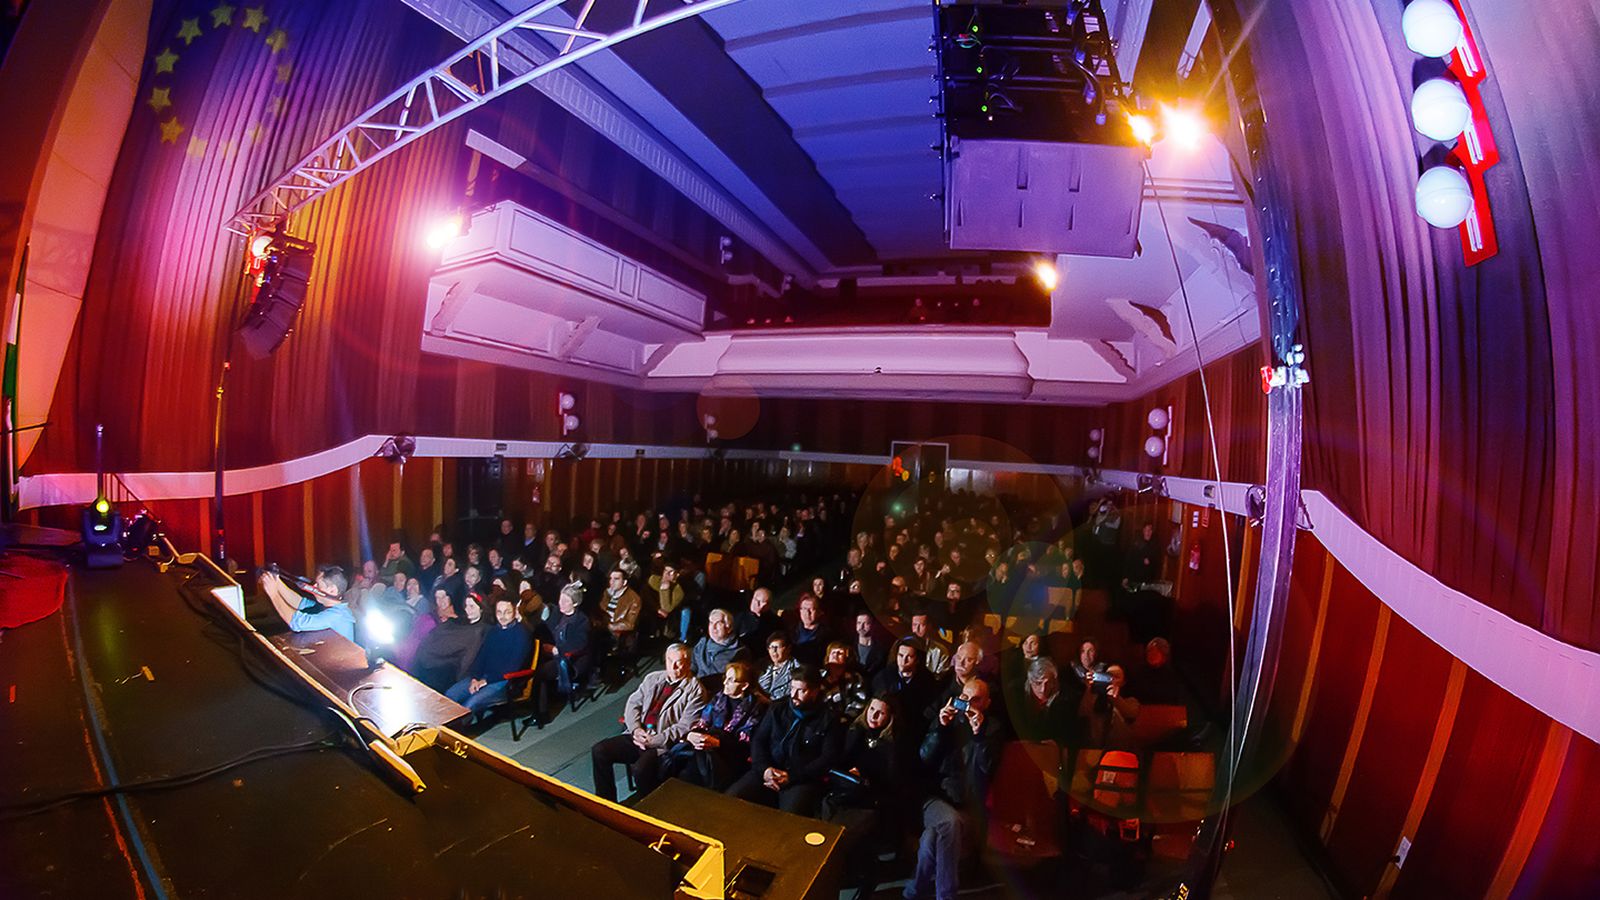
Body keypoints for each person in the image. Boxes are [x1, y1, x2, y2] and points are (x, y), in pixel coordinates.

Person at [908, 678, 1003, 900]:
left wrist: (979, 738)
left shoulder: (993, 728)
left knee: (931, 839)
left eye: (975, 700)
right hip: (935, 798)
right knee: (949, 823)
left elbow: (987, 770)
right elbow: (924, 758)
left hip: (968, 803)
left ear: (987, 703)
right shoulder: (947, 720)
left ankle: (914, 890)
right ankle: (946, 896)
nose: (968, 704)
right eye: (964, 698)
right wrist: (940, 728)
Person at [588, 643, 708, 803]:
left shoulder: (695, 690)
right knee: (600, 750)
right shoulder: (653, 678)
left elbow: (684, 726)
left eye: (678, 662)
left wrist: (653, 741)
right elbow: (633, 704)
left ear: (687, 663)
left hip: (661, 743)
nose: (673, 666)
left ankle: (649, 806)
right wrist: (636, 729)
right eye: (669, 660)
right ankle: (605, 803)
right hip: (639, 734)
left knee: (640, 770)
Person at [826, 695, 914, 900]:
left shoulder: (895, 742)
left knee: (845, 837)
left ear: (890, 717)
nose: (874, 716)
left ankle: (864, 877)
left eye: (881, 712)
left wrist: (865, 776)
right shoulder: (856, 731)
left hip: (875, 799)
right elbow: (841, 760)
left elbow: (893, 780)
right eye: (872, 709)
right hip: (848, 793)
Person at [727, 664, 843, 816]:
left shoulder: (828, 719)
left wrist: (792, 777)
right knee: (731, 799)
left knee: (789, 817)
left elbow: (827, 758)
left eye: (801, 691)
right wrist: (765, 769)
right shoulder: (778, 708)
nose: (794, 695)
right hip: (769, 769)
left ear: (815, 691)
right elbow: (759, 740)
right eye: (792, 688)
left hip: (800, 778)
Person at [660, 660, 767, 791]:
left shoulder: (757, 709)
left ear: (744, 685)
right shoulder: (719, 697)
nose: (725, 683)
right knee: (684, 767)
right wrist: (692, 735)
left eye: (730, 680)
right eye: (725, 678)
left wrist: (717, 742)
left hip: (731, 757)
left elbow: (746, 747)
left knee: (689, 774)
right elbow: (703, 722)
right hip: (707, 749)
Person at [444, 595, 534, 714]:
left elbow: (513, 666)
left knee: (470, 704)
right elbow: (481, 657)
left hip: (504, 681)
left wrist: (485, 681)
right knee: (450, 695)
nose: (502, 616)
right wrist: (475, 678)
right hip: (483, 677)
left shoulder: (521, 634)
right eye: (499, 612)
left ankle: (457, 731)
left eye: (507, 612)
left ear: (514, 612)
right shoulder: (493, 631)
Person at [412, 593, 490, 692]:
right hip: (432, 657)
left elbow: (469, 655)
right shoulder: (458, 621)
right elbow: (437, 634)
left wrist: (460, 678)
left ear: (481, 609)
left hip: (447, 667)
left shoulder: (481, 630)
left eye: (472, 606)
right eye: (466, 606)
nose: (468, 610)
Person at [259, 567, 355, 642]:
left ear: (332, 590)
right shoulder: (327, 606)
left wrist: (273, 594)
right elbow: (299, 602)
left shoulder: (337, 615)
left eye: (318, 584)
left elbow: (296, 622)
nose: (314, 587)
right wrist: (277, 581)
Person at [871, 638, 938, 746]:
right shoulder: (884, 677)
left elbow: (930, 709)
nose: (903, 661)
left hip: (914, 734)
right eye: (900, 655)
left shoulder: (927, 680)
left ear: (917, 659)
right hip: (887, 732)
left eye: (909, 657)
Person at [1011, 657, 1075, 744]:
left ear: (1054, 681)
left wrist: (1057, 742)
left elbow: (1069, 733)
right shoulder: (1014, 693)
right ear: (1030, 680)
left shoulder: (1066, 698)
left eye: (1048, 683)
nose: (1043, 689)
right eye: (1038, 683)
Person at [1078, 664, 1140, 749]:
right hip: (1095, 749)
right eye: (1108, 676)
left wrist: (1116, 698)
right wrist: (1089, 689)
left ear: (1123, 682)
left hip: (1120, 750)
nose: (1111, 680)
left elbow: (1130, 713)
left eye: (1116, 677)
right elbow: (1083, 712)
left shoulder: (1131, 701)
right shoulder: (1095, 698)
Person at [600, 569, 643, 664]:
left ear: (624, 582)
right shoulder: (607, 593)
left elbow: (630, 624)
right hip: (603, 629)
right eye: (611, 579)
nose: (612, 582)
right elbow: (600, 612)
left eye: (616, 579)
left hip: (618, 635)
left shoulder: (634, 599)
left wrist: (609, 626)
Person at [821, 641, 870, 723]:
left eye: (840, 653)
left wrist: (844, 719)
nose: (835, 655)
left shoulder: (855, 678)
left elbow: (860, 702)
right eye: (833, 652)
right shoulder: (819, 675)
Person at [1127, 637, 1183, 705]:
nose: (1151, 654)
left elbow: (1173, 699)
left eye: (1156, 652)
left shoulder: (1171, 676)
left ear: (1164, 657)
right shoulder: (1137, 672)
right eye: (1149, 651)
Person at [693, 609, 744, 679]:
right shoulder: (702, 643)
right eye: (711, 623)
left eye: (718, 623)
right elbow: (692, 667)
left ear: (729, 628)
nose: (713, 627)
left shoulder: (739, 652)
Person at [650, 563, 689, 640]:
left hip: (668, 618)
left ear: (677, 575)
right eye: (665, 570)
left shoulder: (678, 591)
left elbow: (667, 608)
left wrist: (665, 589)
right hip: (651, 609)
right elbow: (645, 596)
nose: (666, 574)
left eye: (671, 572)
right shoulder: (653, 580)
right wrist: (656, 608)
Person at [791, 593, 831, 666]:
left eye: (811, 609)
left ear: (819, 612)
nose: (807, 613)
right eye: (804, 609)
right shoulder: (791, 630)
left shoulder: (827, 635)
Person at [759, 632, 799, 702]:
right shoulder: (761, 666)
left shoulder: (796, 668)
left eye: (778, 647)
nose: (774, 651)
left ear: (788, 649)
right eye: (771, 647)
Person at [910, 610, 951, 677]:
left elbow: (941, 677)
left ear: (929, 626)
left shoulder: (941, 651)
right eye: (914, 625)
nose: (917, 629)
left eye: (922, 625)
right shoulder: (902, 646)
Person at [852, 611, 890, 681]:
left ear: (873, 625)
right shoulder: (849, 646)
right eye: (859, 623)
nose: (861, 627)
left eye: (866, 623)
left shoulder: (881, 650)